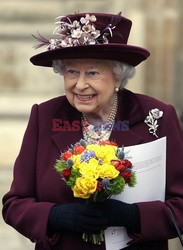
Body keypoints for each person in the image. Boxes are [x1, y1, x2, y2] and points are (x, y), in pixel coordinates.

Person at [2, 12, 183, 250]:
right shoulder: (44, 117)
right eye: (72, 72)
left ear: (117, 76)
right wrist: (55, 215)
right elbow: (14, 205)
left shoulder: (157, 116)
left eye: (93, 72)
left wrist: (134, 216)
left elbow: (180, 206)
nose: (80, 84)